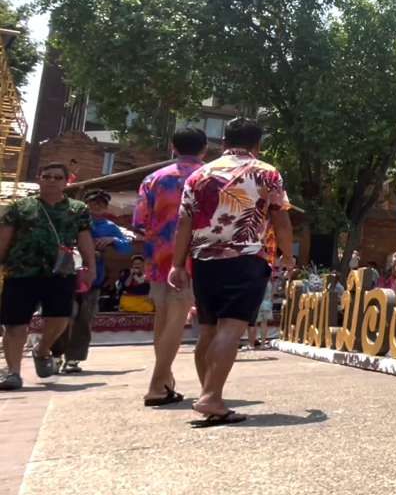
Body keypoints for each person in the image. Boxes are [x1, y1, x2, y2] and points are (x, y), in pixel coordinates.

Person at [169, 118, 293, 425]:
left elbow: (184, 222)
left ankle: (209, 394)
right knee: (231, 329)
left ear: (223, 142)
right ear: (258, 144)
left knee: (209, 330)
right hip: (245, 259)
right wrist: (288, 257)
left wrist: (177, 264)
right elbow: (281, 220)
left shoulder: (199, 174)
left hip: (203, 261)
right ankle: (211, 397)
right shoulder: (267, 173)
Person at [0, 162, 96, 389]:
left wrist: (90, 267)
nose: (52, 181)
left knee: (60, 318)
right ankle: (13, 373)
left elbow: (84, 239)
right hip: (21, 271)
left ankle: (42, 350)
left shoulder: (77, 209)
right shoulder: (19, 207)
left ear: (66, 181)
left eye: (57, 177)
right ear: (39, 178)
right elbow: (4, 237)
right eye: (47, 176)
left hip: (60, 272)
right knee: (15, 324)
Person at [134, 126, 207, 407]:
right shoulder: (209, 177)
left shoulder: (153, 179)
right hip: (191, 258)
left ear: (173, 147)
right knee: (176, 320)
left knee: (164, 319)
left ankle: (165, 382)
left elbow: (139, 222)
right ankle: (157, 385)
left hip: (159, 257)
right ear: (204, 149)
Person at [51, 189, 133, 373]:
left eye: (101, 203)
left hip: (93, 280)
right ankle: (56, 355)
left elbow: (127, 248)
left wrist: (112, 239)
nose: (97, 206)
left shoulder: (109, 226)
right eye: (93, 202)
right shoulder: (71, 221)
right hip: (67, 276)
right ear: (85, 204)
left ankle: (74, 359)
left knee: (84, 320)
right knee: (63, 316)